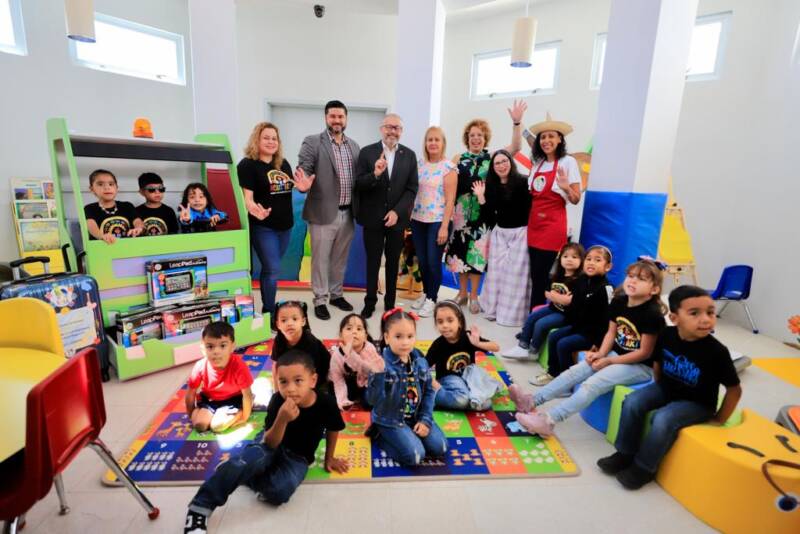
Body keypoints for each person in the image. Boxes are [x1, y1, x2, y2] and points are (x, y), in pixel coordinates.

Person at [183, 350, 348, 534]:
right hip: (271, 445)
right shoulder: (278, 400)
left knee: (280, 491)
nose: (290, 389)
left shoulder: (326, 402)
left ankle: (237, 471)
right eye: (283, 382)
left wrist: (329, 458)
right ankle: (199, 508)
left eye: (298, 381)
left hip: (299, 458)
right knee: (253, 458)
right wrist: (282, 419)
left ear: (313, 380)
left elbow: (334, 428)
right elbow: (270, 442)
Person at [597, 285, 742, 490]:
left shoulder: (717, 351)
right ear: (674, 318)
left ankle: (644, 467)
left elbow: (735, 389)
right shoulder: (666, 335)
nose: (706, 319)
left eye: (710, 312)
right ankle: (625, 453)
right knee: (632, 402)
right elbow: (658, 361)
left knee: (663, 418)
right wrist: (657, 386)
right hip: (667, 388)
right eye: (695, 313)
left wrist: (720, 418)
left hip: (697, 403)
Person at [512, 258, 667, 436]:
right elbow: (610, 333)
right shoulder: (619, 302)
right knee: (575, 371)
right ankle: (531, 401)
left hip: (640, 366)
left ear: (654, 289)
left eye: (641, 279)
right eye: (630, 276)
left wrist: (608, 361)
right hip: (616, 354)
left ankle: (549, 420)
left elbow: (644, 353)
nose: (632, 281)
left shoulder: (652, 315)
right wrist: (601, 354)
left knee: (592, 384)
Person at [238, 122, 314, 319]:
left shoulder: (282, 163)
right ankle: (269, 311)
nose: (271, 142)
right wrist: (254, 210)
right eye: (266, 137)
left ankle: (268, 305)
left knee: (272, 268)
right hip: (263, 226)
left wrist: (303, 188)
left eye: (274, 138)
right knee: (272, 268)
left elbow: (291, 187)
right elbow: (247, 199)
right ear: (257, 140)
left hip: (285, 226)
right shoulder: (247, 165)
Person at [298, 100, 361, 321]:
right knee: (320, 259)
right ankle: (320, 299)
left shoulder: (354, 146)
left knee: (339, 259)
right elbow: (304, 168)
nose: (337, 120)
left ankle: (336, 295)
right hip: (323, 213)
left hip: (348, 213)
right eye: (333, 116)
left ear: (346, 119)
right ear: (326, 118)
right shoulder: (313, 142)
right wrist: (303, 182)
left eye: (340, 116)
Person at [354, 113, 419, 319]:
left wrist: (396, 212)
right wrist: (375, 174)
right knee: (373, 262)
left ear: (401, 131)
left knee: (392, 263)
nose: (393, 131)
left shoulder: (409, 155)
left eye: (397, 128)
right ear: (381, 129)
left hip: (396, 220)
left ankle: (390, 303)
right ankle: (370, 302)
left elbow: (411, 189)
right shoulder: (366, 153)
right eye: (389, 127)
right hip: (372, 218)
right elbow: (359, 184)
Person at [365, 308, 447, 465]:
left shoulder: (420, 360)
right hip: (391, 420)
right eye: (398, 336)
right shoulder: (381, 364)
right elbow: (371, 400)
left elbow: (429, 393)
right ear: (387, 338)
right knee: (415, 456)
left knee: (440, 448)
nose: (405, 342)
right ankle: (380, 435)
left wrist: (425, 420)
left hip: (415, 416)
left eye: (410, 336)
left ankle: (408, 435)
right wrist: (378, 375)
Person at [530, 245, 614, 386]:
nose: (591, 263)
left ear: (608, 267)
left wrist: (598, 343)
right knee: (554, 336)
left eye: (597, 260)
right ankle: (553, 373)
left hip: (592, 335)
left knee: (564, 344)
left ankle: (567, 382)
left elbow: (608, 320)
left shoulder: (605, 288)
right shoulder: (581, 280)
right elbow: (574, 307)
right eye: (588, 259)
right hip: (577, 327)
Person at [525, 113, 582, 308]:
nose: (546, 140)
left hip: (553, 226)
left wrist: (566, 188)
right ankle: (533, 319)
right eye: (543, 137)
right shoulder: (538, 164)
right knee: (535, 275)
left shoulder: (568, 162)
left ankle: (540, 317)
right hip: (534, 226)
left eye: (551, 136)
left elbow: (575, 199)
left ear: (560, 139)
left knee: (545, 276)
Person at [477, 149, 532, 326]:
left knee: (515, 276)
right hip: (500, 234)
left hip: (520, 233)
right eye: (497, 163)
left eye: (504, 161)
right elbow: (488, 216)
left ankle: (511, 316)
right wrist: (480, 197)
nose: (501, 165)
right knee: (495, 273)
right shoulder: (491, 186)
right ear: (493, 167)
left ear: (511, 162)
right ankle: (492, 309)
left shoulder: (524, 182)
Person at [502, 242, 585, 360]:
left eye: (574, 257)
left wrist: (555, 296)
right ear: (560, 258)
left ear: (582, 260)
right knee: (532, 317)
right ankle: (522, 346)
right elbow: (546, 292)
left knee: (541, 324)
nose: (569, 260)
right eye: (565, 256)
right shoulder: (557, 275)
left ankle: (533, 350)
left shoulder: (580, 280)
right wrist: (558, 297)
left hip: (567, 314)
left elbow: (569, 301)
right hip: (554, 308)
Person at [410, 126, 457, 317]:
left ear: (443, 143)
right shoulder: (419, 165)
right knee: (422, 261)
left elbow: (450, 199)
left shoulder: (449, 168)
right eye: (430, 140)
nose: (433, 143)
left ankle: (432, 298)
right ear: (425, 143)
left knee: (433, 261)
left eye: (437, 139)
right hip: (418, 219)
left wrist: (445, 226)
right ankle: (426, 292)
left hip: (438, 221)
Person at [426, 301, 501, 410]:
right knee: (464, 399)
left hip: (468, 376)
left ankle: (467, 402)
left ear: (460, 322)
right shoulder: (438, 344)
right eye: (440, 322)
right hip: (449, 379)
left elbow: (496, 347)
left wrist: (477, 343)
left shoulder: (468, 337)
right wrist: (433, 383)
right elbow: (423, 365)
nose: (445, 325)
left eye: (450, 320)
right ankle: (433, 396)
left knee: (488, 398)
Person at [185, 322, 253, 433]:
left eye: (223, 345)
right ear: (202, 348)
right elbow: (190, 393)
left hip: (233, 400)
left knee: (216, 426)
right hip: (210, 400)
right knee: (199, 426)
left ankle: (238, 411)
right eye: (210, 347)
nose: (216, 352)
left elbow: (247, 394)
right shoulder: (200, 366)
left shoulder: (239, 366)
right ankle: (208, 414)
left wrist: (244, 417)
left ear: (232, 346)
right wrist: (191, 414)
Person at [271, 300, 331, 390]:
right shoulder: (279, 340)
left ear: (303, 321)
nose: (290, 324)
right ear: (278, 324)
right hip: (294, 368)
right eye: (284, 320)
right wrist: (277, 391)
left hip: (318, 371)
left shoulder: (310, 341)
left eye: (295, 319)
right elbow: (275, 366)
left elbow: (312, 371)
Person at [329, 313, 384, 409]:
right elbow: (338, 380)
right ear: (341, 335)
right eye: (349, 328)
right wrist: (343, 400)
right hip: (349, 381)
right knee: (333, 398)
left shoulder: (369, 348)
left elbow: (373, 373)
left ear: (365, 336)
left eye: (359, 329)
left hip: (367, 379)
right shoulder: (336, 356)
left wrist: (351, 355)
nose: (354, 332)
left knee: (369, 404)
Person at [84, 169, 143, 243]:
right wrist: (101, 236)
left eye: (111, 184)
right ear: (92, 189)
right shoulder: (90, 208)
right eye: (100, 184)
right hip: (103, 249)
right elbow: (91, 225)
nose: (107, 187)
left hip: (128, 248)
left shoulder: (127, 206)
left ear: (116, 188)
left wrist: (138, 228)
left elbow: (137, 220)